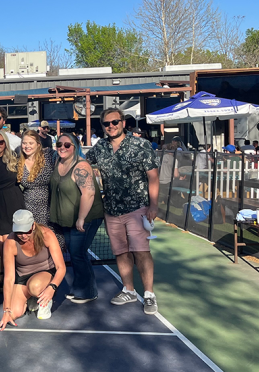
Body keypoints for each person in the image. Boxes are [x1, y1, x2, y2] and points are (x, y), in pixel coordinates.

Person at [86, 107, 160, 315]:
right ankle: (128, 289)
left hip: (138, 208)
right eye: (106, 124)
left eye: (114, 122)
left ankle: (149, 294)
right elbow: (82, 164)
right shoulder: (100, 147)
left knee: (141, 252)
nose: (111, 126)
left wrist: (153, 205)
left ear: (123, 123)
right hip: (111, 210)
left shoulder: (141, 145)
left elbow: (153, 177)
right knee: (121, 251)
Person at [50, 133, 104, 303]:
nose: (63, 148)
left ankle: (88, 291)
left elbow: (88, 193)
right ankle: (81, 288)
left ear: (75, 146)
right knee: (74, 254)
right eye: (60, 144)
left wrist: (81, 218)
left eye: (67, 145)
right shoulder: (58, 162)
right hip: (66, 219)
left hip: (85, 219)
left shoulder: (81, 166)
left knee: (78, 253)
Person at [0, 210, 67, 328]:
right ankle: (32, 298)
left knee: (35, 286)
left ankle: (43, 297)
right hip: (23, 276)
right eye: (19, 232)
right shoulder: (10, 242)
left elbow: (61, 267)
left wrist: (52, 287)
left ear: (33, 226)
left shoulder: (47, 234)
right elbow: (9, 278)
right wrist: (6, 310)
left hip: (45, 273)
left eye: (27, 231)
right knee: (13, 313)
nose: (23, 235)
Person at [17, 129, 56, 226]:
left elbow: (66, 158)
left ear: (38, 144)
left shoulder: (48, 155)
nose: (27, 146)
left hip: (48, 207)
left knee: (48, 237)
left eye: (31, 143)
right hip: (28, 207)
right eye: (24, 143)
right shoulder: (18, 161)